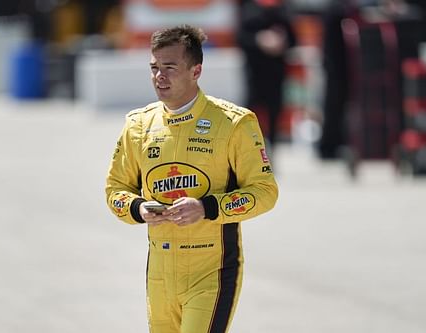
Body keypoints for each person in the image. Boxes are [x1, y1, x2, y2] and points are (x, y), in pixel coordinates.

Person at [105, 25, 278, 333]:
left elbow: (265, 192)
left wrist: (207, 207)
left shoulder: (235, 123)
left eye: (170, 67)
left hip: (211, 270)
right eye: (154, 68)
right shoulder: (138, 125)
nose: (160, 76)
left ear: (196, 70)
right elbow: (115, 190)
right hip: (159, 274)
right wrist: (139, 208)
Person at [236, 0, 296, 148]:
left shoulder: (283, 10)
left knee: (275, 109)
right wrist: (259, 40)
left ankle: (272, 146)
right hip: (255, 71)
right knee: (251, 109)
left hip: (277, 72)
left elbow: (294, 39)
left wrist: (281, 41)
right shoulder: (249, 8)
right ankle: (246, 145)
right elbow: (241, 38)